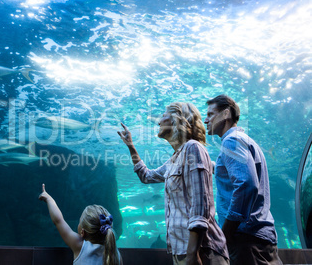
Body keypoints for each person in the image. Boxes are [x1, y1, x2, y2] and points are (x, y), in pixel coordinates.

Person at [118, 102, 229, 265]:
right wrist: (131, 146)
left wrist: (192, 255)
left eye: (163, 116)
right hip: (182, 252)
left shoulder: (193, 148)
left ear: (178, 120)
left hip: (201, 252)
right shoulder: (176, 158)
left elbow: (200, 207)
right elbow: (147, 176)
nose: (158, 122)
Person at [204, 94, 282, 264]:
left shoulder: (231, 141)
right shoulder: (244, 141)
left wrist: (226, 232)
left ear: (225, 114)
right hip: (258, 236)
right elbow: (237, 175)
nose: (205, 120)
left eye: (210, 114)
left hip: (246, 238)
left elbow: (247, 185)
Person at [38, 184, 123, 265]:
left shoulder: (79, 246)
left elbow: (58, 220)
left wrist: (49, 199)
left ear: (82, 232)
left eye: (80, 222)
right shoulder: (115, 255)